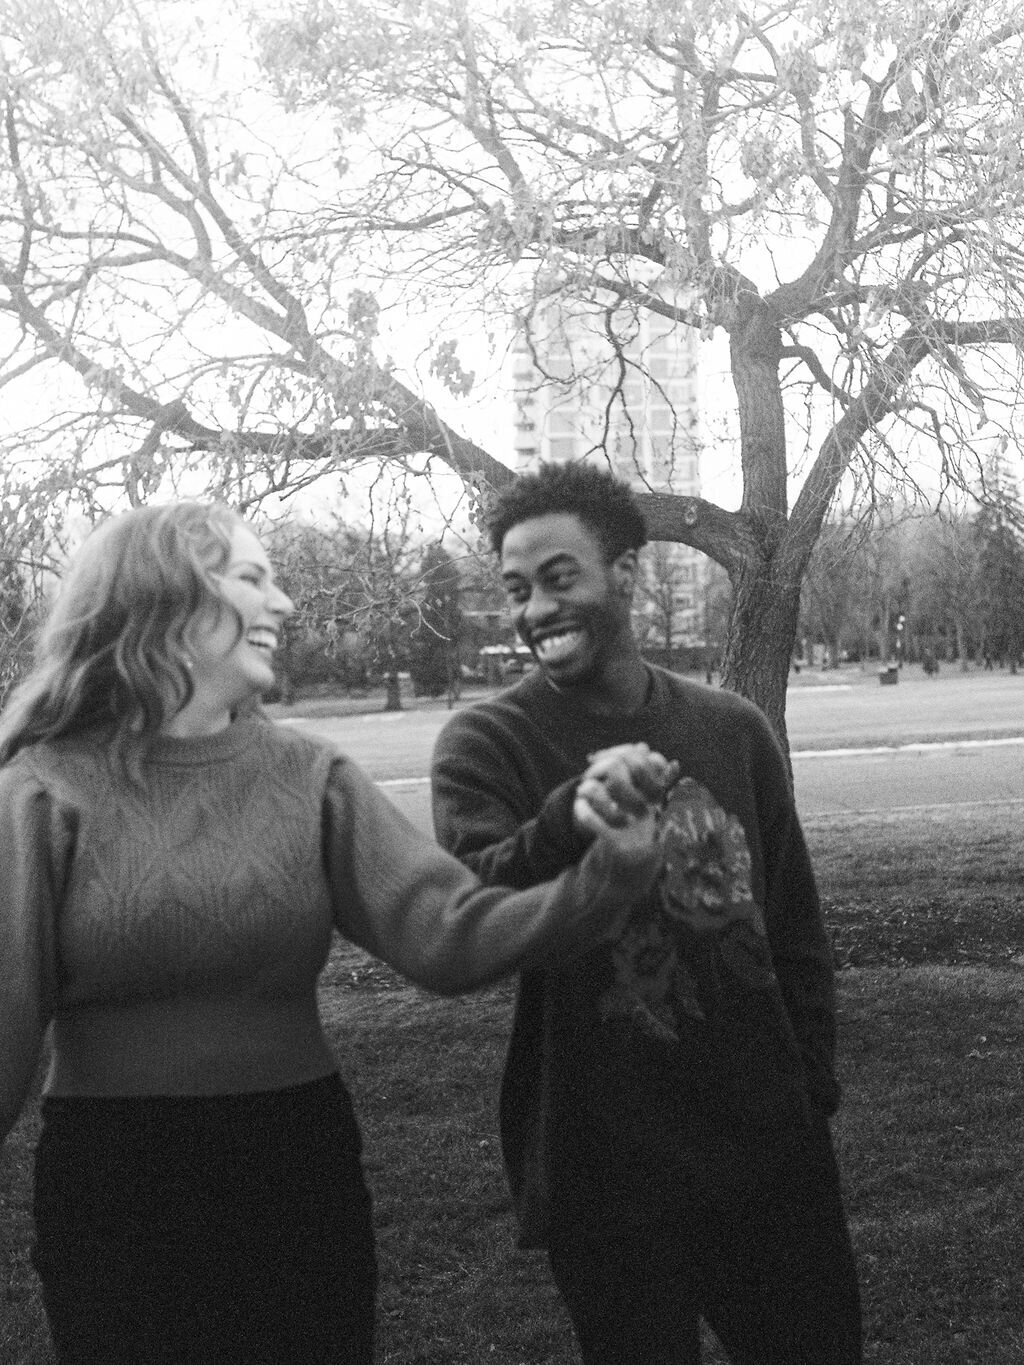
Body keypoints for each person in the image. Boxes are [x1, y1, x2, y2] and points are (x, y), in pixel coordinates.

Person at [0, 500, 666, 1365]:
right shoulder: (42, 790)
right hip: (117, 1183)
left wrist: (600, 880)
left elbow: (447, 932)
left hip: (294, 1165)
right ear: (164, 600)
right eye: (251, 579)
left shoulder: (309, 775)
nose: (281, 604)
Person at [431, 463, 863, 1365]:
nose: (536, 609)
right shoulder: (487, 743)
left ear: (625, 573)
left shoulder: (731, 728)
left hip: (768, 1151)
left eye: (560, 578)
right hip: (607, 1166)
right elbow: (474, 906)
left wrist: (807, 1088)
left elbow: (794, 927)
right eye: (517, 590)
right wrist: (569, 817)